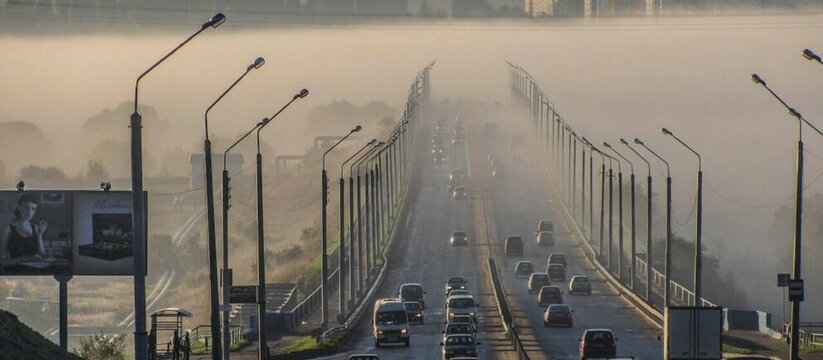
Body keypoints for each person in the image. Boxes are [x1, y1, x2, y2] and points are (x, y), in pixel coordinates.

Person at [0, 193, 47, 271]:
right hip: (17, 272)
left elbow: (43, 256)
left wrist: (39, 235)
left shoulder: (35, 228)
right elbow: (3, 262)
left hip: (35, 272)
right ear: (19, 207)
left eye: (33, 209)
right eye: (26, 207)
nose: (29, 212)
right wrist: (27, 258)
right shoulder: (8, 229)